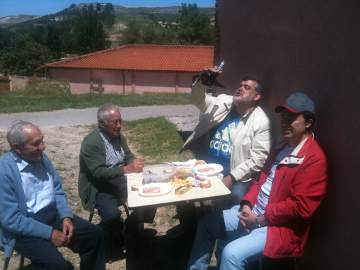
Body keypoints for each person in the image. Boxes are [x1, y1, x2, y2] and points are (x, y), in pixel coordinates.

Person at [187, 92, 328, 270]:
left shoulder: (314, 159)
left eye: (291, 117)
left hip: (279, 228)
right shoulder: (282, 148)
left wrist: (260, 219)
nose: (284, 121)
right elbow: (260, 180)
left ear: (308, 123)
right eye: (283, 116)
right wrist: (247, 204)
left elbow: (301, 207)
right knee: (207, 224)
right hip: (254, 213)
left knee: (231, 254)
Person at [0, 121, 105, 270]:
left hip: (51, 215)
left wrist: (66, 216)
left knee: (94, 235)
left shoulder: (41, 157)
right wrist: (50, 234)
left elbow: (57, 190)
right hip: (23, 227)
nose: (43, 147)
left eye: (42, 140)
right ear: (18, 148)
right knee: (56, 265)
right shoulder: (4, 171)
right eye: (36, 144)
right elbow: (11, 220)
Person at [183, 67, 271, 204]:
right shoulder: (223, 101)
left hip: (234, 173)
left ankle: (219, 222)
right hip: (206, 165)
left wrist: (231, 177)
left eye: (247, 87)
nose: (240, 88)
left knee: (236, 195)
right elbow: (197, 100)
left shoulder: (261, 121)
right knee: (185, 194)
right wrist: (201, 82)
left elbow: (258, 159)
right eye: (240, 85)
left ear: (256, 96)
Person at [78, 104, 144, 248]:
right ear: (102, 124)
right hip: (100, 188)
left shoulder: (118, 136)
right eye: (115, 122)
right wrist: (126, 169)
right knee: (111, 216)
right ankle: (113, 235)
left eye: (120, 120)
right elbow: (98, 172)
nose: (119, 125)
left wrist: (134, 163)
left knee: (150, 196)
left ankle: (130, 228)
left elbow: (127, 154)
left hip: (119, 181)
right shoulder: (92, 142)